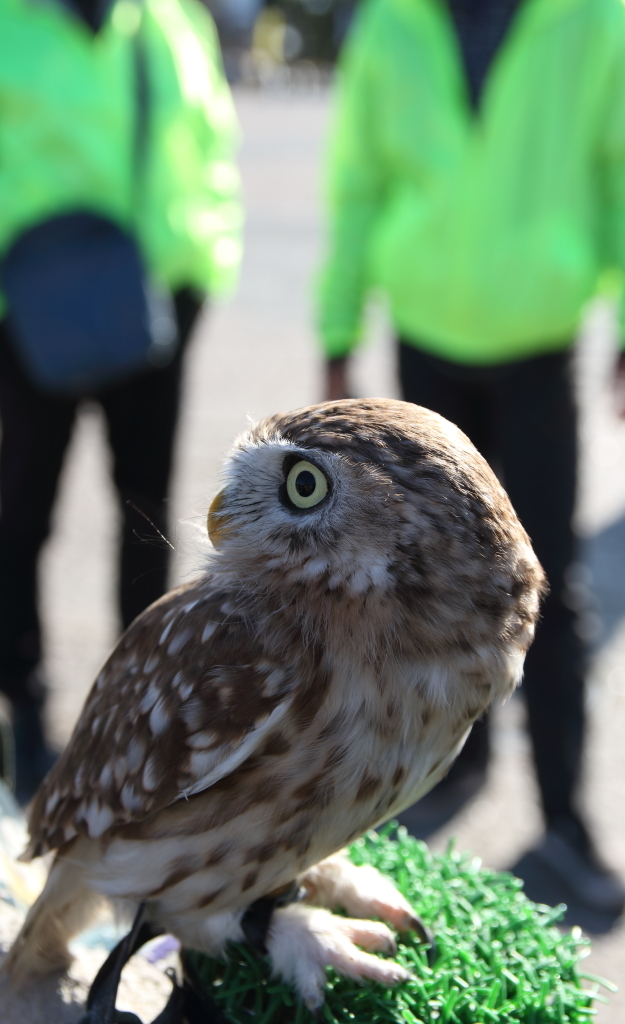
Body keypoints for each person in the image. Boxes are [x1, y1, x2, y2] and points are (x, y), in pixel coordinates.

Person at [317, 0, 625, 914]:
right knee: (421, 585)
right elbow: (358, 179)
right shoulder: (392, 23)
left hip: (536, 345)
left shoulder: (593, 22)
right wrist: (338, 323)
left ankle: (565, 818)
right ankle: (450, 765)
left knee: (546, 585)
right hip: (426, 344)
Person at [0, 0, 242, 802]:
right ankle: (25, 720)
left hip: (149, 310)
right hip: (27, 320)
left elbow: (211, 152)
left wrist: (201, 274)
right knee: (19, 520)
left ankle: (136, 717)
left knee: (147, 520)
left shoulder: (169, 22)